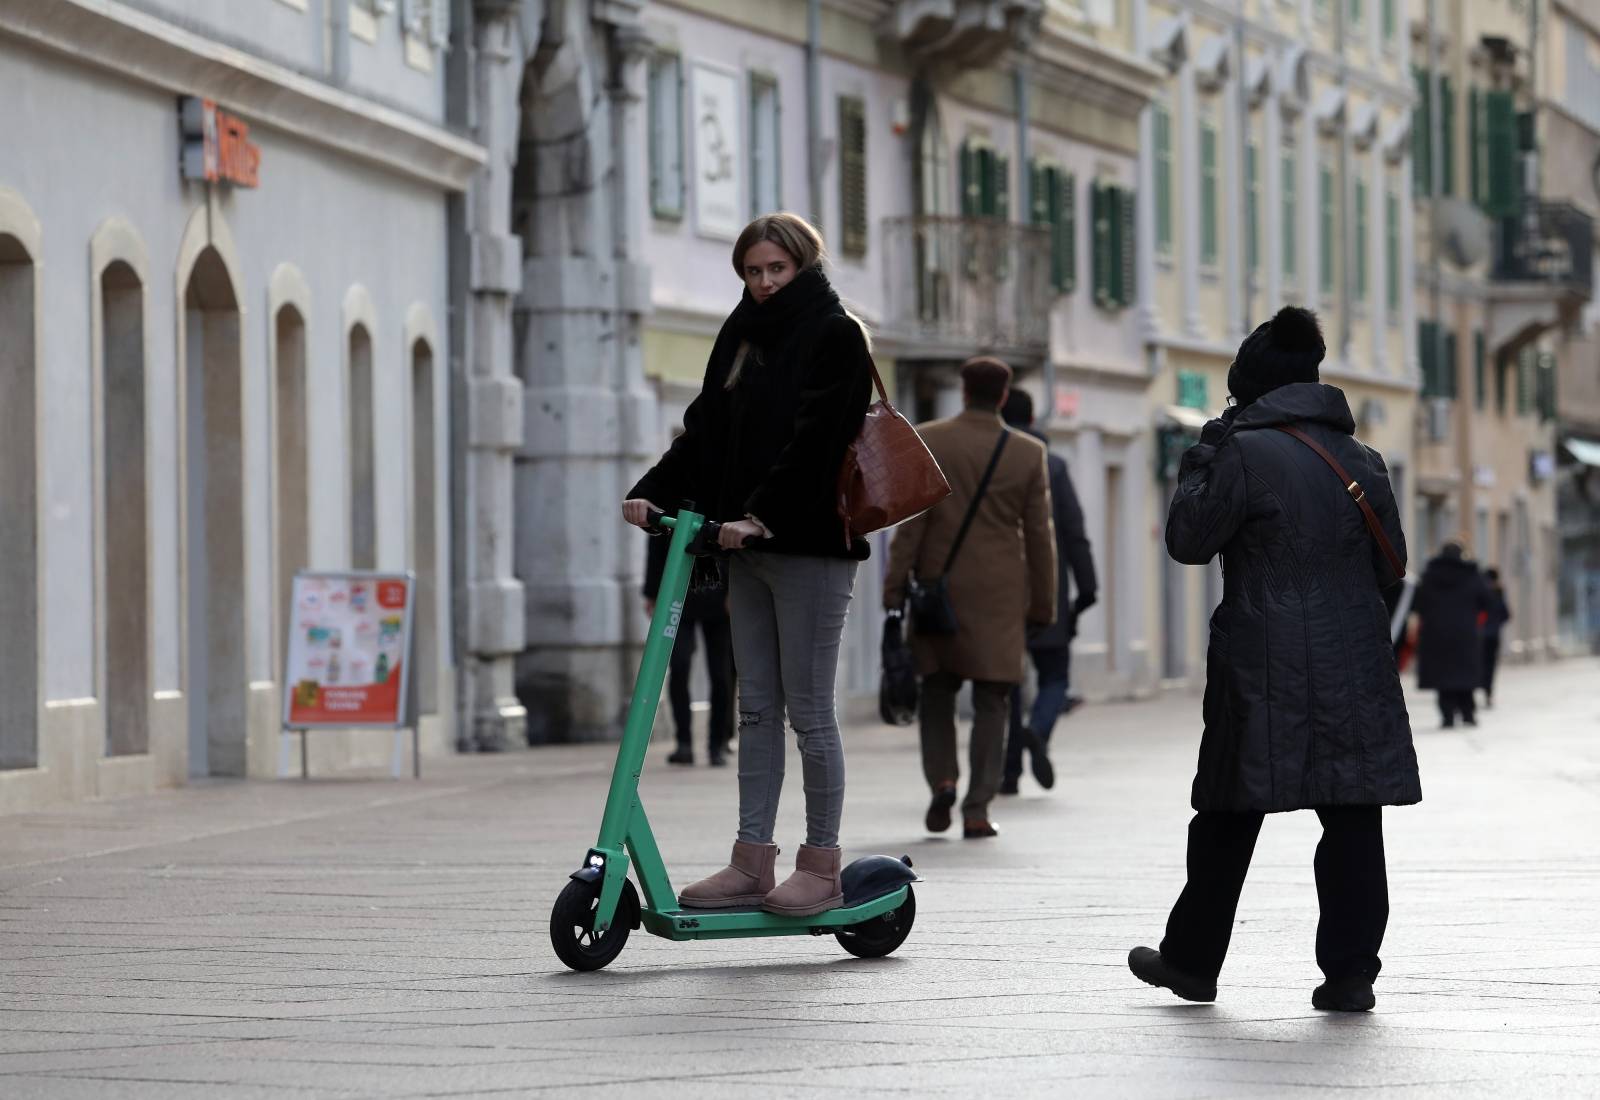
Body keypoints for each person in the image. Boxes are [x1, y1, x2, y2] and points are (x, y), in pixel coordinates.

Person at [1127, 306, 1420, 1014]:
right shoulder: (1364, 461)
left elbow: (1188, 540)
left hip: (1261, 660)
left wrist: (1203, 453)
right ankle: (1351, 974)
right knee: (1352, 817)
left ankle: (1194, 962)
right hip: (1353, 659)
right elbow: (1394, 565)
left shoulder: (1238, 450)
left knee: (1229, 812)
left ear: (1247, 386)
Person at [621, 212, 872, 917]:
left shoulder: (836, 332)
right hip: (745, 547)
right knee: (756, 708)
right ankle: (750, 862)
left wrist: (763, 514)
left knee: (810, 712)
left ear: (803, 266)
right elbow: (706, 431)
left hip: (810, 546)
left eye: (776, 270)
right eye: (753, 272)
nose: (763, 284)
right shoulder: (741, 332)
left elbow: (818, 440)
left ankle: (820, 864)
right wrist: (652, 491)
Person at [883, 357, 1056, 839]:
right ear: (1003, 396)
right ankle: (977, 807)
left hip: (939, 588)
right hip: (1000, 594)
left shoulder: (930, 438)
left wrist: (895, 583)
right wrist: (1043, 604)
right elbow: (1040, 537)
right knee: (993, 699)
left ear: (963, 391)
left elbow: (911, 521)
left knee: (936, 690)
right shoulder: (1026, 453)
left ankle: (942, 780)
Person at [997, 389, 1096, 796]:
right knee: (1055, 675)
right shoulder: (1052, 465)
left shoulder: (992, 459)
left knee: (1008, 684)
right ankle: (1038, 730)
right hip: (1049, 591)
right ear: (1034, 417)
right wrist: (1087, 588)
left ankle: (1009, 774)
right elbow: (1073, 532)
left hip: (1001, 590)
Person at [642, 526, 733, 767]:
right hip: (678, 595)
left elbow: (735, 545)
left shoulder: (721, 494)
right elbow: (657, 545)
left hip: (720, 596)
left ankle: (717, 744)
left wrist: (736, 591)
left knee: (721, 674)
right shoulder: (676, 497)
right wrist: (652, 593)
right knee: (679, 666)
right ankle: (683, 743)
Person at [1413, 541, 1491, 728]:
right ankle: (1468, 713)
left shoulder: (1429, 576)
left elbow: (1418, 604)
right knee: (1464, 674)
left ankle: (1447, 715)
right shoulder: (1472, 575)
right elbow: (1486, 601)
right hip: (1464, 632)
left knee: (1443, 675)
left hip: (1436, 633)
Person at [1480, 567, 1511, 709]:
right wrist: (1496, 622)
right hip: (1493, 635)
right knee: (1490, 665)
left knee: (1478, 663)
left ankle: (1478, 688)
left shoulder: (1478, 591)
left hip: (1478, 635)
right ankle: (1488, 691)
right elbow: (1506, 614)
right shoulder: (1498, 592)